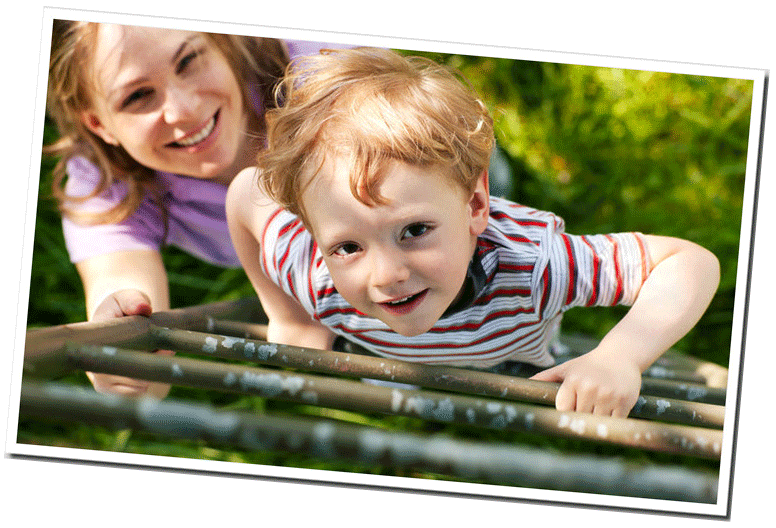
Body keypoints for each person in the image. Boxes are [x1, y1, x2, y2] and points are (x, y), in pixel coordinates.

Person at [226, 47, 720, 417]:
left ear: (476, 206)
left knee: (460, 178)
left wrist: (620, 357)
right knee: (433, 191)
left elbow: (687, 262)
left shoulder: (536, 268)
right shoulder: (314, 274)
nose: (386, 275)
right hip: (401, 350)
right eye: (350, 246)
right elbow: (247, 191)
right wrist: (290, 317)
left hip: (510, 353)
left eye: (414, 231)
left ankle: (490, 173)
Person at [44, 20, 346, 398]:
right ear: (98, 124)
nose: (184, 110)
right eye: (138, 97)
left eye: (188, 60)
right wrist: (123, 353)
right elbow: (121, 288)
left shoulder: (322, 68)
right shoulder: (104, 182)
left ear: (220, 39)